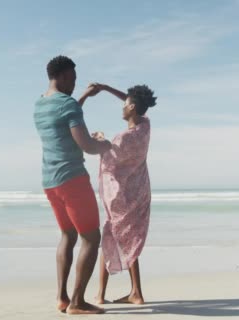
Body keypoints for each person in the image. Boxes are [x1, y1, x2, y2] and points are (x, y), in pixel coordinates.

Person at [33, 56, 112, 315]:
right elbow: (88, 147)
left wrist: (85, 97)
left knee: (67, 235)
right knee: (91, 237)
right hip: (73, 180)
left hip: (50, 181)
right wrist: (105, 144)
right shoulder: (68, 105)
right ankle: (77, 303)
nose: (74, 85)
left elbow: (64, 121)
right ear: (65, 76)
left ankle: (62, 298)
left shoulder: (40, 104)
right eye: (74, 79)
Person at [91, 83, 157, 305]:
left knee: (110, 235)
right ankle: (136, 291)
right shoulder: (145, 126)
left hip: (121, 196)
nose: (122, 107)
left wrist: (99, 138)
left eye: (126, 105)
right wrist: (106, 88)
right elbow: (137, 103)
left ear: (133, 108)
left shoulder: (123, 138)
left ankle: (100, 294)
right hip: (139, 192)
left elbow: (108, 158)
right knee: (129, 239)